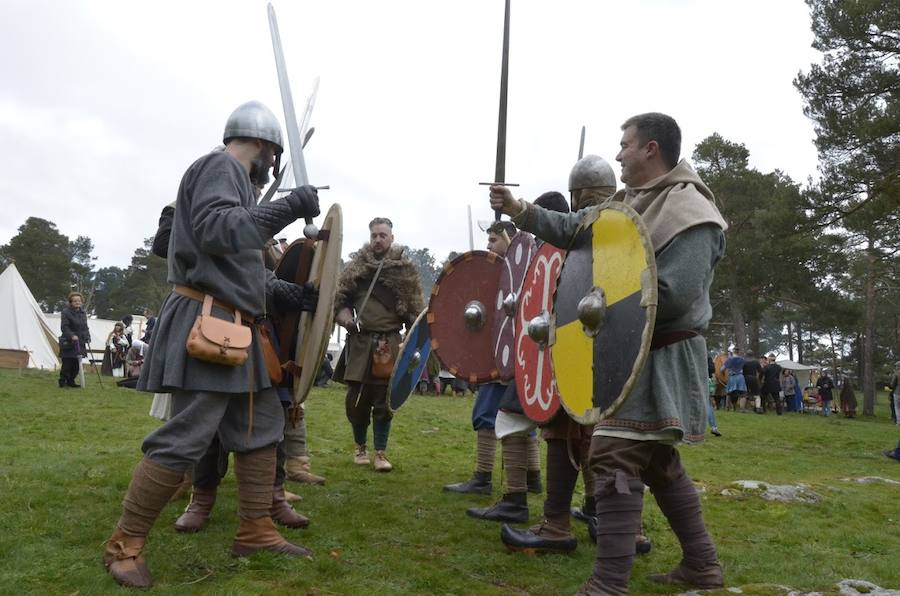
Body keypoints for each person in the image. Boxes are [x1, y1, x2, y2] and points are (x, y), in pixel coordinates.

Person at [490, 112, 727, 591]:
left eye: (625, 144)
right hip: (628, 355)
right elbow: (574, 231)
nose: (617, 153)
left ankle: (607, 584)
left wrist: (605, 300)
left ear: (651, 149)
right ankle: (702, 564)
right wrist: (520, 211)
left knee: (613, 453)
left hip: (660, 354)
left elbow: (676, 294)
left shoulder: (689, 211)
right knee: (657, 462)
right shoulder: (627, 204)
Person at [102, 100, 321, 588]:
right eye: (271, 161)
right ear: (265, 147)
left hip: (236, 324)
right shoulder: (219, 166)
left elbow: (244, 273)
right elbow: (218, 231)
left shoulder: (239, 186)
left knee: (262, 424)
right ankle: (125, 543)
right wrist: (289, 208)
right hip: (208, 321)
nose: (269, 174)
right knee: (187, 435)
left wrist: (298, 295)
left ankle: (256, 528)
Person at [502, 182, 650, 554]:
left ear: (578, 194)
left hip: (593, 353)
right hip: (595, 353)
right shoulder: (618, 226)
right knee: (614, 440)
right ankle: (620, 526)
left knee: (574, 435)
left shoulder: (608, 232)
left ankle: (560, 525)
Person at [445, 221, 542, 523]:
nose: (488, 246)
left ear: (511, 241)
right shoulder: (509, 273)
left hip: (506, 357)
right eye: (486, 240)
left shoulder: (520, 271)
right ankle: (533, 476)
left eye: (494, 240)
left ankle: (483, 477)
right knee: (522, 416)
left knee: (488, 413)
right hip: (509, 356)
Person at [333, 217, 425, 472]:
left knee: (384, 401)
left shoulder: (404, 272)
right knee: (356, 400)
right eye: (374, 235)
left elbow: (417, 315)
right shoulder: (357, 268)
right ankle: (360, 447)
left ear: (391, 237)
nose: (378, 239)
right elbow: (339, 302)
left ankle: (381, 453)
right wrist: (346, 320)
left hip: (390, 343)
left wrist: (410, 341)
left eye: (383, 235)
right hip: (360, 343)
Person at [58, 291, 90, 388]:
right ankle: (63, 381)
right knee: (67, 363)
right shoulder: (66, 312)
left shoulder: (83, 313)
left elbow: (85, 327)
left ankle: (71, 381)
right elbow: (64, 327)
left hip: (80, 342)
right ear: (71, 302)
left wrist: (87, 337)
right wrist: (71, 335)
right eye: (75, 301)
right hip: (69, 342)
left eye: (79, 301)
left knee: (77, 364)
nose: (77, 302)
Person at [889, 361, 900, 426]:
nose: (896, 367)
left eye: (896, 366)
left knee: (897, 407)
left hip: (897, 392)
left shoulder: (896, 374)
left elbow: (892, 384)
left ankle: (898, 422)